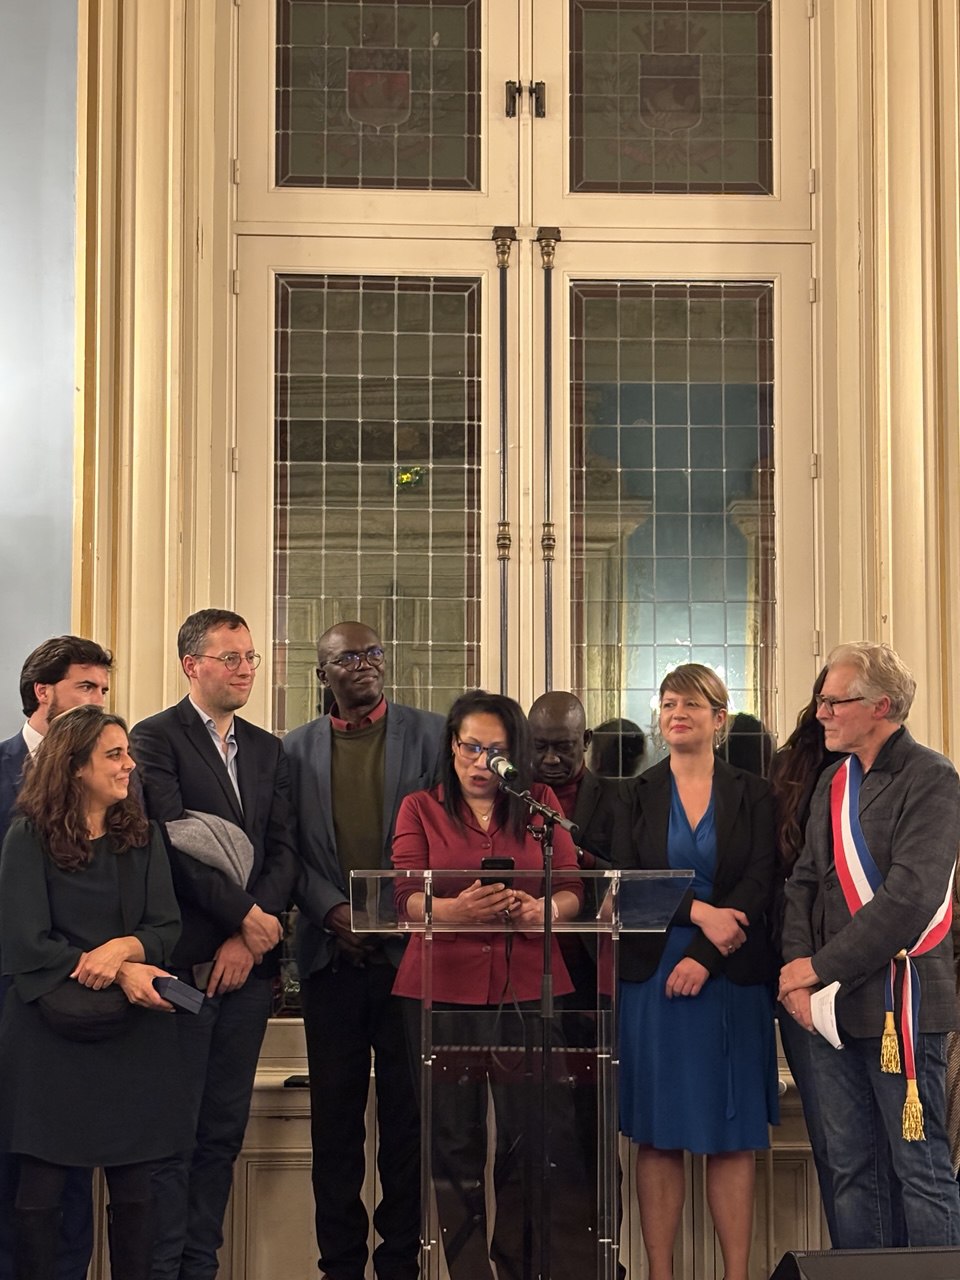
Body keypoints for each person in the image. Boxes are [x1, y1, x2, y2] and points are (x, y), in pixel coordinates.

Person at [391, 690, 587, 1280]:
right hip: (440, 988)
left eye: (496, 752)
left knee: (530, 1139)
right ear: (452, 747)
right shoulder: (419, 807)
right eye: (471, 747)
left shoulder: (540, 805)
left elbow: (575, 887)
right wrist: (455, 911)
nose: (482, 762)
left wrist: (543, 911)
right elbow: (402, 898)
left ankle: (520, 1267)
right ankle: (468, 1271)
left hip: (529, 985)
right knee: (454, 1142)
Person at [130, 609, 298, 1280]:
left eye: (251, 657)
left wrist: (251, 936)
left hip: (247, 976)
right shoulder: (153, 740)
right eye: (230, 657)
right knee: (174, 1137)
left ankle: (201, 1267)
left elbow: (283, 848)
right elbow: (169, 845)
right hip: (186, 971)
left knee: (223, 1136)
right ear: (191, 664)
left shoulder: (268, 750)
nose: (246, 669)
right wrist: (243, 918)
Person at [780, 642, 960, 1248]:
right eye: (823, 700)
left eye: (835, 701)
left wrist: (817, 968)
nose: (822, 713)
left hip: (899, 1003)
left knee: (920, 1168)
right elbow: (805, 881)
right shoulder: (834, 780)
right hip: (830, 1009)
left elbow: (910, 899)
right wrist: (797, 972)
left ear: (880, 705)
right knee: (852, 1168)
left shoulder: (933, 778)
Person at [0, 705, 187, 1280]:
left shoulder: (144, 836)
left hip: (133, 1036)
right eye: (114, 754)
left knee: (137, 1190)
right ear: (75, 766)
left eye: (127, 752)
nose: (129, 764)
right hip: (47, 1037)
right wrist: (116, 968)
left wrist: (124, 952)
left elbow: (166, 929)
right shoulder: (27, 834)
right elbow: (25, 942)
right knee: (42, 1191)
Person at [282, 621, 444, 1280]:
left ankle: (399, 1265)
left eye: (375, 651)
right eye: (348, 656)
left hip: (410, 962)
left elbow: (449, 831)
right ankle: (340, 1268)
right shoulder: (290, 752)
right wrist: (332, 909)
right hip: (330, 962)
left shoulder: (431, 736)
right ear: (322, 675)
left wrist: (392, 910)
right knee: (336, 1133)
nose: (366, 664)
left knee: (407, 1130)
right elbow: (283, 849)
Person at [612, 664, 778, 1280]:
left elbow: (761, 880)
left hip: (730, 978)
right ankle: (661, 1274)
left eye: (691, 702)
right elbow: (627, 884)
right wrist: (701, 912)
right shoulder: (632, 792)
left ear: (719, 718)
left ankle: (736, 1275)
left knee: (730, 1133)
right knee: (658, 1134)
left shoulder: (754, 792)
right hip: (654, 978)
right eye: (667, 702)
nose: (676, 711)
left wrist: (706, 953)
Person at [0, 635, 113, 1280]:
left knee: (71, 1169)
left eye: (102, 690)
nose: (96, 700)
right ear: (44, 692)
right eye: (85, 688)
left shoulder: (111, 771)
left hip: (88, 997)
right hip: (14, 994)